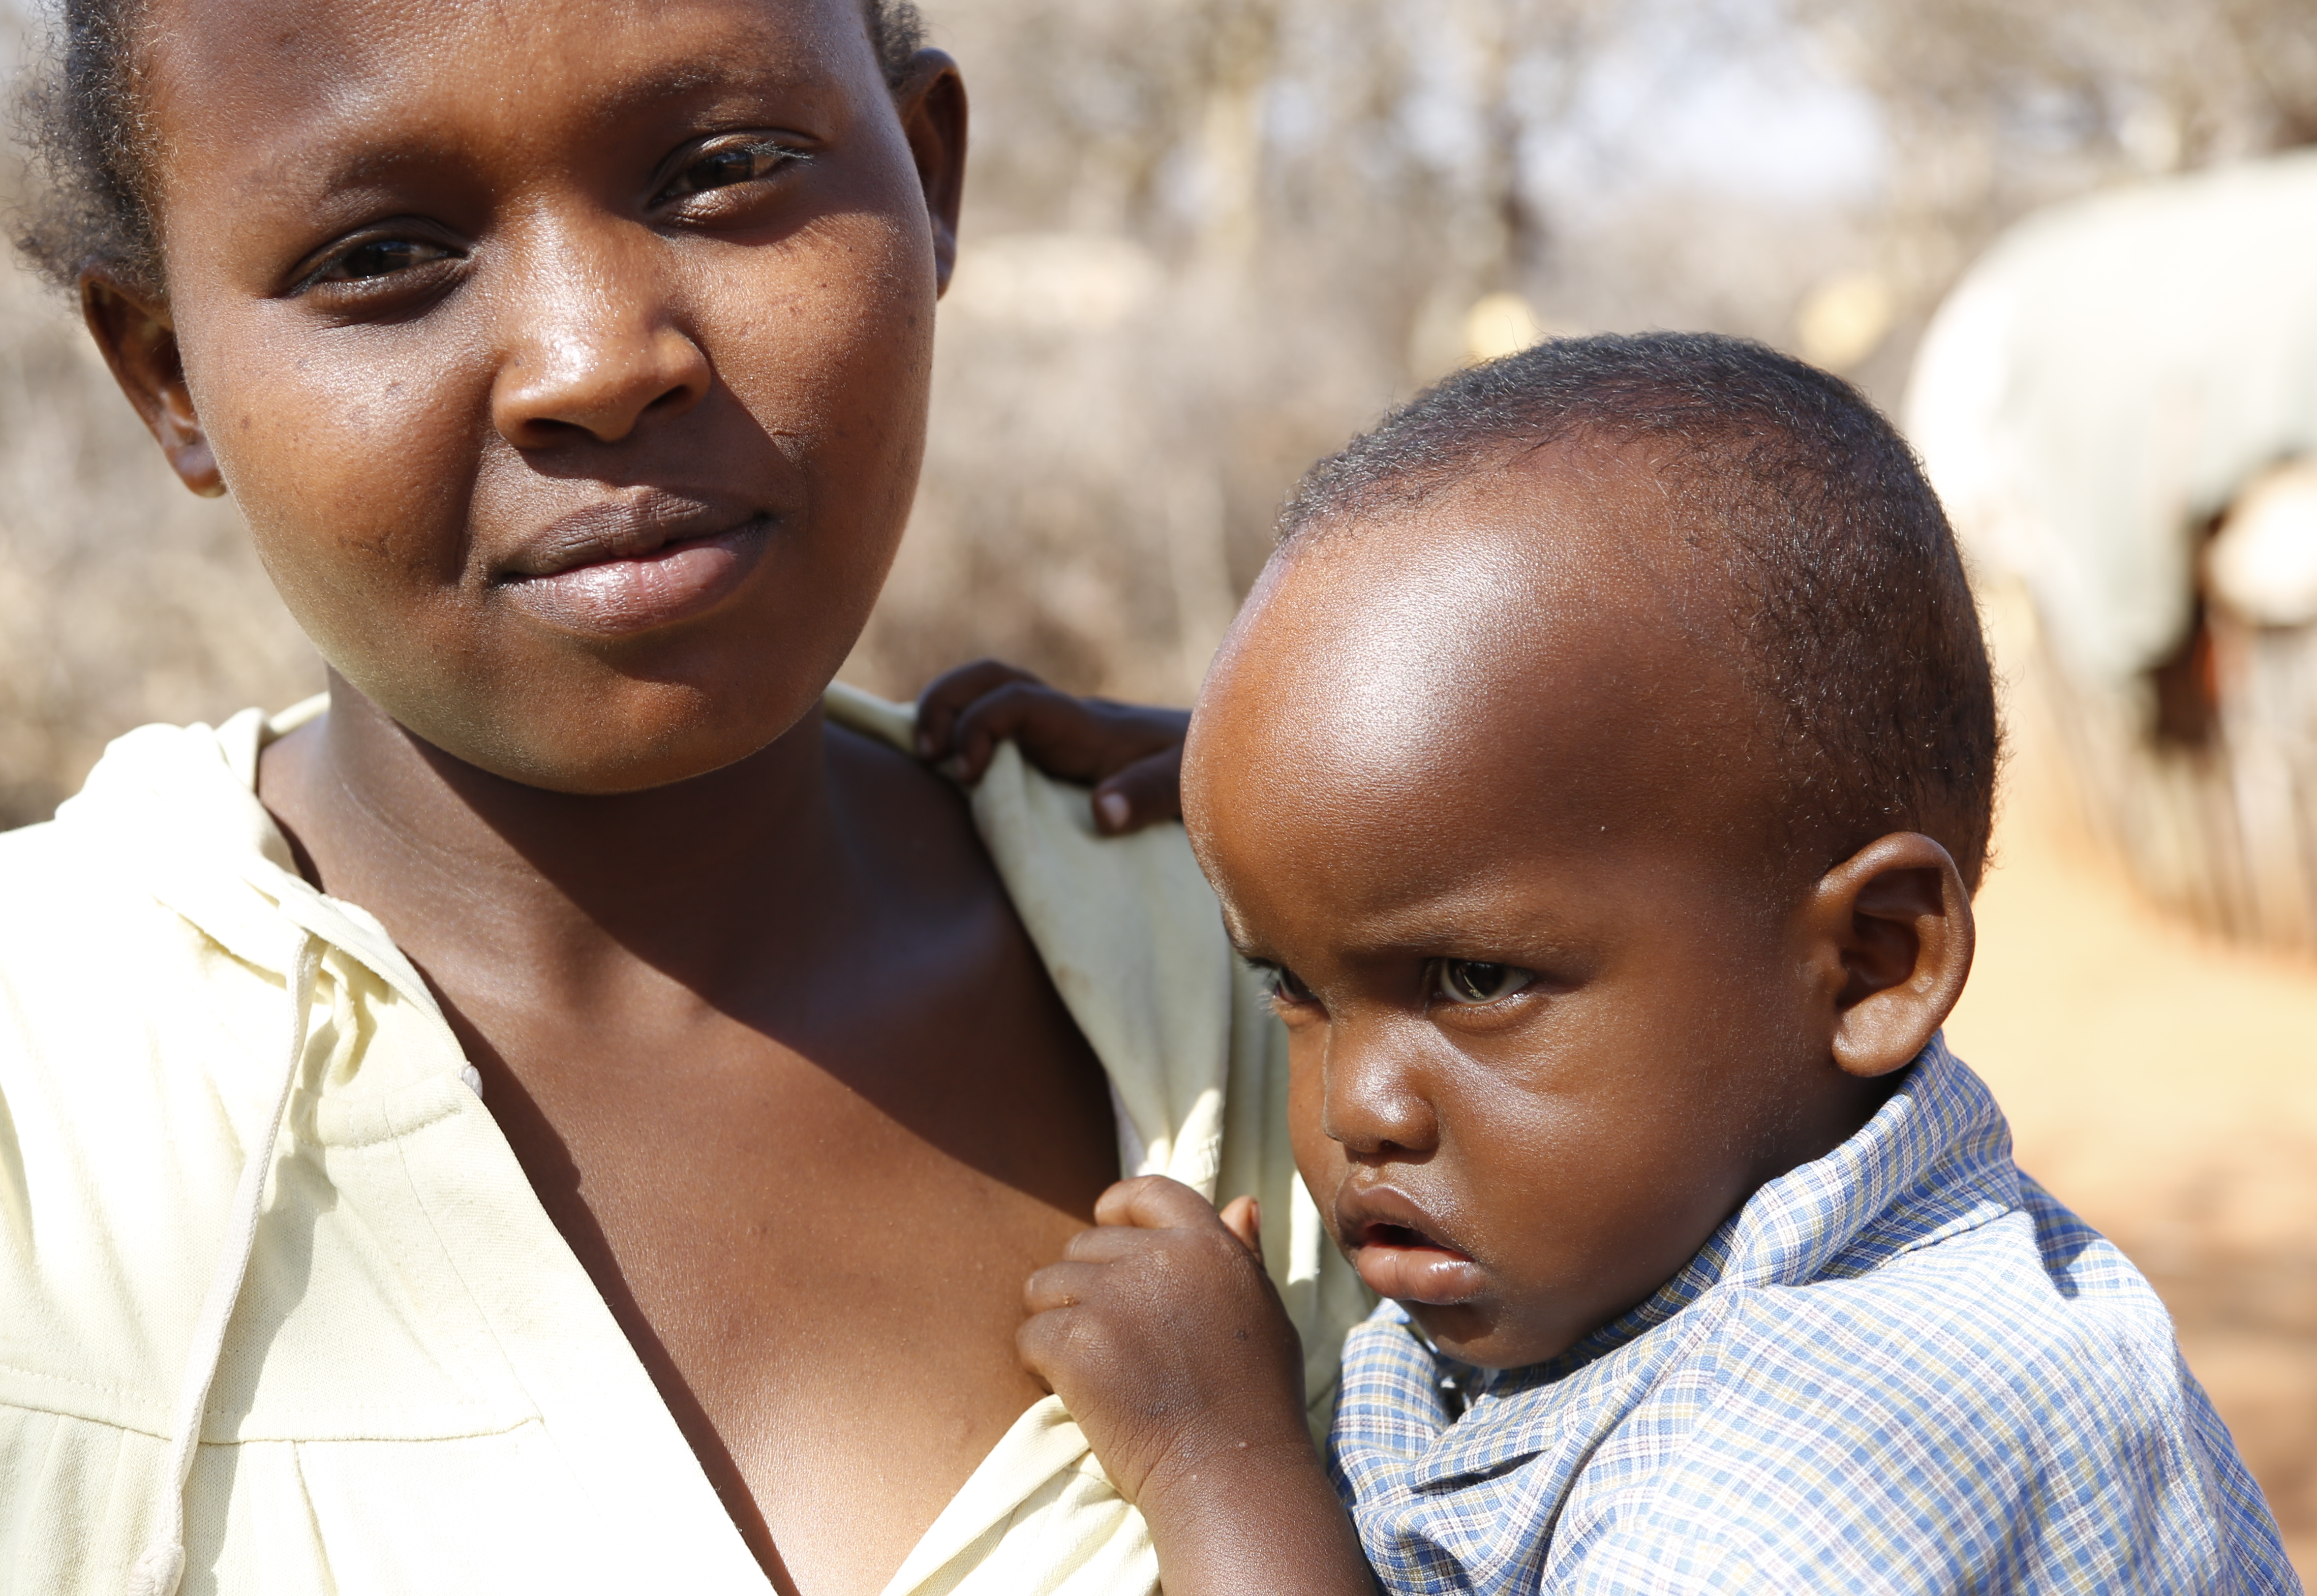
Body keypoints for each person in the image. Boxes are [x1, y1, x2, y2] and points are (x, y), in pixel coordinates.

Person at [0, 0, 1366, 1593]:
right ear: (167, 376)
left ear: (925, 179)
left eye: (726, 168)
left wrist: (1363, 850)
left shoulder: (1301, 994)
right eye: (382, 257)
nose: (594, 361)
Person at [924, 335, 2300, 1593]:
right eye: (1291, 983)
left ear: (1876, 965)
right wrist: (1290, 810)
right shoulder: (1677, 1249)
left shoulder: (1807, 1472)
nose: (1357, 1109)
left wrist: (1225, 1478)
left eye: (1469, 980)